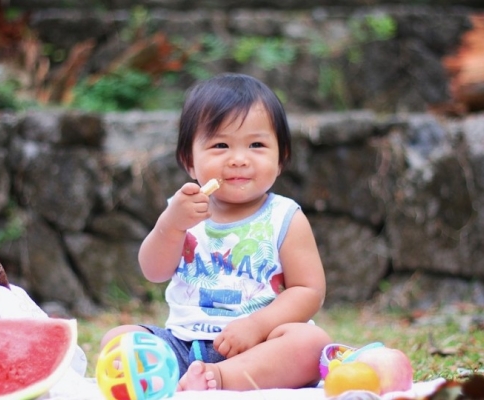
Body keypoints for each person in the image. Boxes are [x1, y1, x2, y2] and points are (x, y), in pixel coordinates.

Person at [100, 73, 332, 391]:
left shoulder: (285, 217)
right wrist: (171, 225)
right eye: (220, 145)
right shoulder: (182, 210)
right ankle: (187, 377)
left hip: (259, 346)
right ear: (189, 162)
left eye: (257, 145)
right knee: (118, 340)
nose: (238, 159)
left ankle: (221, 379)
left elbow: (308, 290)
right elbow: (154, 271)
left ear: (281, 159)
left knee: (311, 342)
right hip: (183, 345)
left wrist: (257, 325)